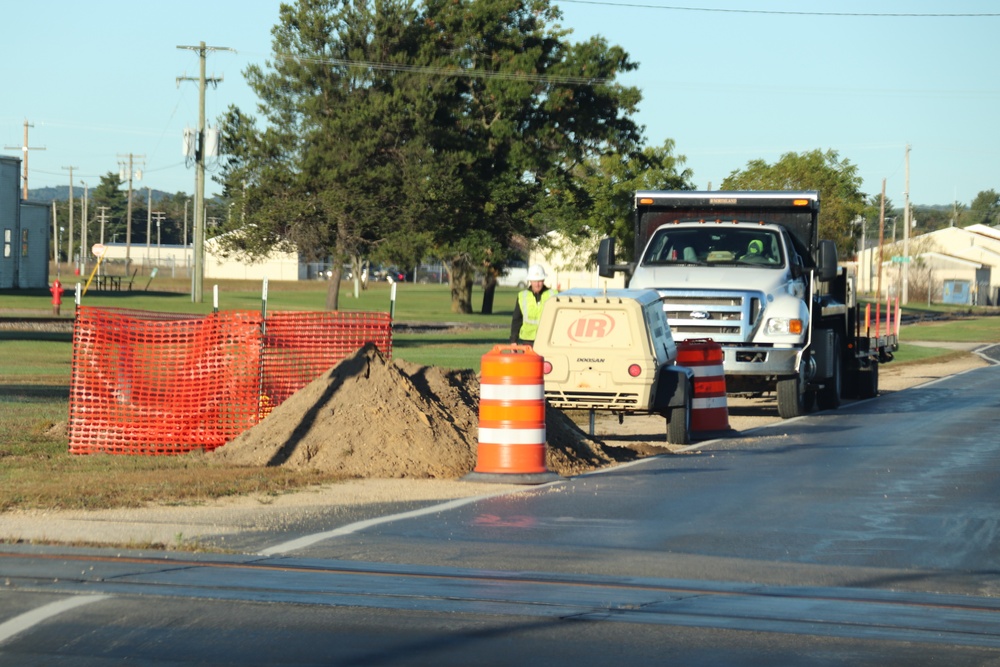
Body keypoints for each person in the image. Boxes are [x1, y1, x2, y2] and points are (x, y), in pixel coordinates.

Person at [510, 264, 557, 346]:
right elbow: (517, 319)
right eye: (535, 281)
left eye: (539, 281)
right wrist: (513, 340)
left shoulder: (553, 294)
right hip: (528, 340)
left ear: (543, 280)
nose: (537, 284)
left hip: (547, 338)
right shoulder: (522, 296)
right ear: (530, 281)